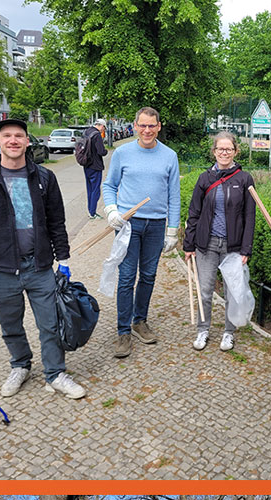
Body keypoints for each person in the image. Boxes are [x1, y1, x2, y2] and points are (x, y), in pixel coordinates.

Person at [0, 118, 85, 400]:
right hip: (1, 269)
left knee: (50, 324)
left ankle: (55, 373)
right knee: (10, 324)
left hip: (39, 265)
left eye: (19, 136)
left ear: (28, 141)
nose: (13, 140)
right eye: (7, 136)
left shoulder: (44, 177)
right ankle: (20, 365)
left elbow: (57, 221)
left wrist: (63, 259)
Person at [102, 107, 182, 359]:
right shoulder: (122, 153)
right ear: (135, 126)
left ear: (159, 126)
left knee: (148, 276)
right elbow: (109, 184)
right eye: (143, 125)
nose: (147, 130)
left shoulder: (169, 156)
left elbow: (174, 195)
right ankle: (123, 331)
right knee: (126, 277)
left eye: (152, 126)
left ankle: (140, 321)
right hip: (128, 225)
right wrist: (111, 209)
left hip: (156, 225)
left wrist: (172, 230)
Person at [181, 130, 255, 352]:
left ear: (235, 151)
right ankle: (203, 329)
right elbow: (194, 212)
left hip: (233, 247)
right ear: (214, 151)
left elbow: (250, 216)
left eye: (229, 149)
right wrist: (188, 245)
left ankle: (228, 333)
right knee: (204, 290)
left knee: (232, 292)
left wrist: (246, 249)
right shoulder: (205, 178)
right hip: (207, 245)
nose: (224, 152)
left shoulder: (244, 179)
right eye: (220, 149)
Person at [77, 120, 107, 216]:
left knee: (89, 188)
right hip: (96, 165)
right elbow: (101, 151)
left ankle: (90, 210)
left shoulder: (87, 131)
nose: (104, 130)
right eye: (104, 127)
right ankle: (92, 212)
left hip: (87, 164)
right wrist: (106, 151)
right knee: (95, 190)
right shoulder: (97, 135)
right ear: (101, 126)